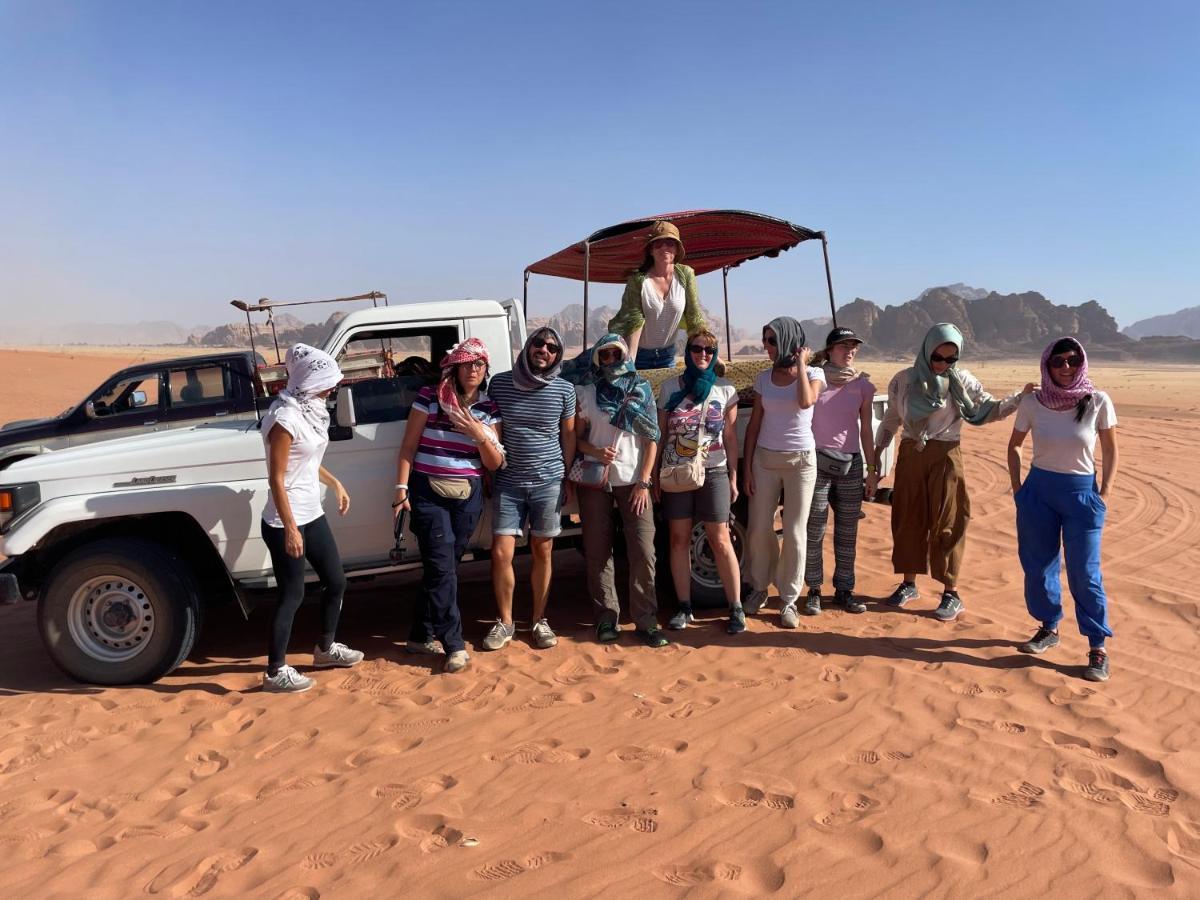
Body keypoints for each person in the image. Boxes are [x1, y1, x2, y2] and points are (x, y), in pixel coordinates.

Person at [872, 323, 1032, 622]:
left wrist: (1018, 398)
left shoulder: (963, 381)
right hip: (911, 454)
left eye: (951, 359)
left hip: (946, 454)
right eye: (938, 357)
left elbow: (988, 410)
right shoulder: (904, 381)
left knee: (948, 521)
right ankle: (909, 584)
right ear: (926, 351)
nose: (943, 365)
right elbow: (891, 422)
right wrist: (874, 463)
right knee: (908, 518)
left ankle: (951, 592)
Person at [1007, 337, 1119, 682]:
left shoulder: (1097, 401)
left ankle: (1097, 647)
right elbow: (1014, 446)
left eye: (1072, 361)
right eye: (1058, 362)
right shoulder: (1032, 402)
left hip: (1081, 495)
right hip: (1038, 493)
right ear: (1047, 365)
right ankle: (1049, 627)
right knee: (1038, 566)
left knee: (1085, 573)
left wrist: (1104, 492)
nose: (1065, 368)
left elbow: (1111, 449)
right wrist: (1019, 489)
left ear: (1081, 362)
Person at [394, 339, 504, 674]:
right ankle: (453, 644)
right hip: (428, 492)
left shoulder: (489, 409)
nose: (474, 369)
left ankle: (419, 634)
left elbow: (495, 462)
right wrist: (401, 489)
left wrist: (477, 432)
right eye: (468, 363)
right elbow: (408, 447)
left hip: (467, 495)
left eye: (480, 364)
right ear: (454, 367)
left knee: (444, 569)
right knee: (443, 570)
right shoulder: (429, 398)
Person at [260, 343, 363, 693]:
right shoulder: (285, 418)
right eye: (327, 381)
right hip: (283, 520)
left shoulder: (310, 410)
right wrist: (290, 528)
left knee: (336, 581)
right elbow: (276, 477)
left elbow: (306, 462)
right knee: (292, 595)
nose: (332, 387)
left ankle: (325, 648)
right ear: (310, 380)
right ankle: (275, 671)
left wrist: (335, 484)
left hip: (311, 512)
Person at [482, 327, 576, 652]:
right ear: (528, 346)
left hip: (549, 481)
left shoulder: (565, 390)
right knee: (500, 553)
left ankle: (539, 620)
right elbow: (492, 430)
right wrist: (488, 471)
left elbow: (568, 436)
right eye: (539, 343)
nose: (544, 351)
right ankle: (505, 622)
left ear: (557, 355)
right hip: (508, 481)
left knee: (543, 550)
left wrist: (567, 478)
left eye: (551, 348)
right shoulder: (500, 383)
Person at [573, 334, 669, 646]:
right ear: (598, 359)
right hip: (597, 480)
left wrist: (644, 481)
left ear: (625, 355)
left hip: (633, 482)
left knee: (643, 550)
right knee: (598, 551)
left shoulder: (640, 389)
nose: (612, 360)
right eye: (606, 355)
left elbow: (651, 439)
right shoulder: (586, 393)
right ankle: (606, 619)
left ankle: (646, 620)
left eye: (617, 354)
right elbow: (578, 440)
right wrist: (596, 451)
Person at [655, 330, 744, 635]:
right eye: (697, 349)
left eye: (709, 350)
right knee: (678, 539)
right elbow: (662, 435)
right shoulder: (669, 389)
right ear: (688, 351)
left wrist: (734, 476)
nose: (703, 355)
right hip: (677, 472)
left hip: (715, 471)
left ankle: (736, 607)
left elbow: (730, 437)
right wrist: (654, 476)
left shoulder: (725, 390)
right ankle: (684, 607)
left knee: (719, 538)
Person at [743, 317, 825, 628]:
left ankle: (789, 598)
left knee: (793, 531)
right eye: (765, 340)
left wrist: (802, 364)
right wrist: (749, 467)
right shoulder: (764, 379)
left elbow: (806, 401)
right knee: (760, 527)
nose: (766, 347)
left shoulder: (814, 373)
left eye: (772, 341)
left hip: (801, 462)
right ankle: (760, 587)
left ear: (790, 341)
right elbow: (754, 425)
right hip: (765, 459)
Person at [804, 327, 876, 615]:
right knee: (815, 528)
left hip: (851, 464)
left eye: (853, 347)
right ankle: (813, 591)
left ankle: (844, 590)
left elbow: (867, 430)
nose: (850, 352)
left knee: (848, 531)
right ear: (830, 349)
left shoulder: (863, 386)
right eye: (844, 346)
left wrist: (872, 470)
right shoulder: (814, 378)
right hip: (817, 462)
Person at [606, 220, 705, 370]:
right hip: (640, 355)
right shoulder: (638, 280)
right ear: (651, 250)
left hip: (668, 356)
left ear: (677, 249)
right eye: (658, 244)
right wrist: (630, 363)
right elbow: (634, 321)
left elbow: (694, 317)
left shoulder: (686, 274)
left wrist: (711, 352)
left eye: (670, 243)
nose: (664, 247)